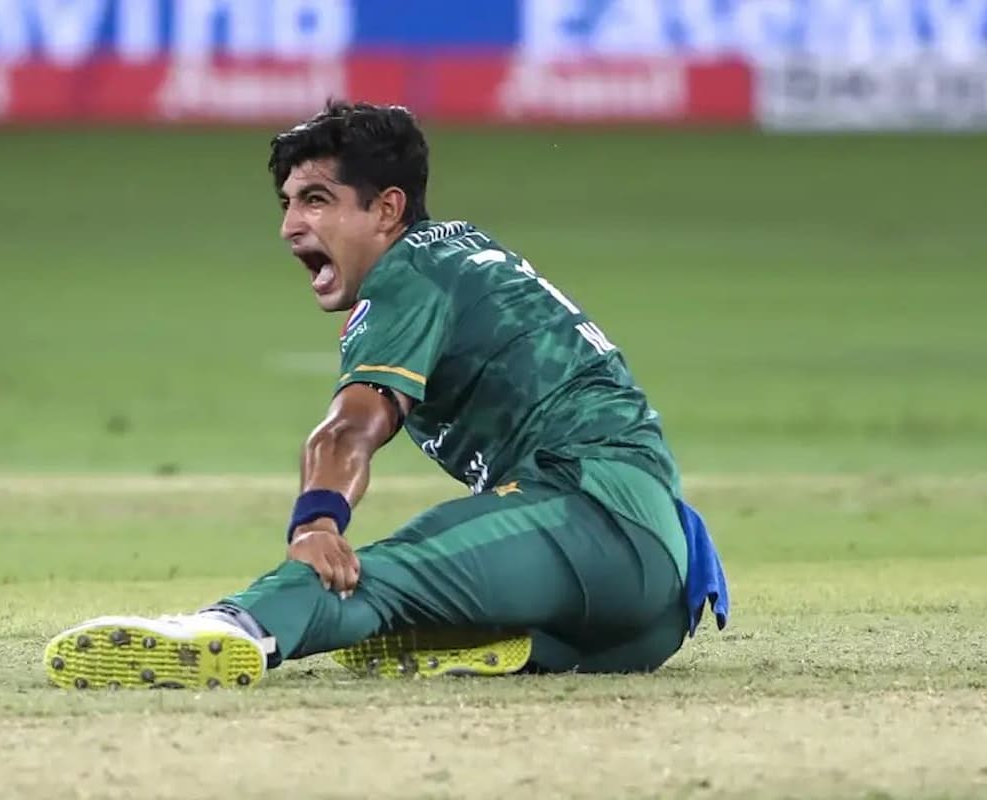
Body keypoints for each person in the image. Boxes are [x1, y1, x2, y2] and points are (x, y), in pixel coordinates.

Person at [43, 100, 729, 690]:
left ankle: (233, 628)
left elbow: (350, 428)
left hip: (592, 524)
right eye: (286, 203)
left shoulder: (410, 272)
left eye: (316, 199)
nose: (289, 226)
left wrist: (316, 522)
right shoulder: (461, 253)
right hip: (651, 603)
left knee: (378, 575)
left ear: (388, 208)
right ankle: (487, 636)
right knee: (420, 584)